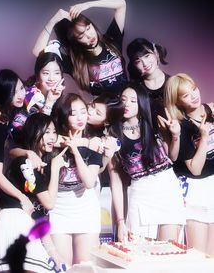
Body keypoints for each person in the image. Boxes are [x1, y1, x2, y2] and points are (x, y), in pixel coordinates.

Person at [0, 112, 67, 272]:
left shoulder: (36, 167)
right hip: (13, 222)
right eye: (47, 132)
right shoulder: (26, 164)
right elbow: (49, 203)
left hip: (19, 222)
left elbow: (38, 215)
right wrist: (56, 168)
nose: (52, 137)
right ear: (34, 133)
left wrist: (54, 253)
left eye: (54, 132)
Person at [108, 83, 186, 242]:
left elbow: (173, 156)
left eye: (133, 101)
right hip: (139, 191)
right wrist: (120, 221)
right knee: (141, 253)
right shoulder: (113, 134)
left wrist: (176, 136)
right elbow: (116, 182)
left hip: (167, 188)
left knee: (168, 251)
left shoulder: (154, 124)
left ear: (141, 103)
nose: (127, 104)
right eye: (124, 100)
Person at [159, 73, 214, 255]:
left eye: (194, 89)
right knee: (198, 256)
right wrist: (204, 138)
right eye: (186, 95)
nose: (194, 95)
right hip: (196, 191)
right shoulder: (181, 127)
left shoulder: (211, 110)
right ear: (177, 101)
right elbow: (195, 169)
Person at [49, 93, 103, 266]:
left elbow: (88, 182)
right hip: (58, 210)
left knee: (85, 267)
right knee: (62, 267)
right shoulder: (53, 143)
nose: (80, 117)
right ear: (64, 117)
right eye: (73, 113)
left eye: (83, 111)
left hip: (86, 209)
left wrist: (77, 151)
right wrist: (80, 143)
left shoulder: (94, 144)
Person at [33, 0, 128, 97]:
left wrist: (88, 4)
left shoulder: (111, 40)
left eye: (88, 28)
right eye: (81, 36)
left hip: (129, 104)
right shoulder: (74, 62)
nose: (89, 35)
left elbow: (121, 4)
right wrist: (53, 21)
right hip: (102, 110)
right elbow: (37, 52)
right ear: (75, 40)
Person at [0, 69, 33, 211]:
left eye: (21, 88)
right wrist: (23, 198)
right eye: (13, 93)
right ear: (3, 95)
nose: (21, 95)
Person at [127, 38, 170, 125]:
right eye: (138, 61)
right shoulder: (135, 88)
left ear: (155, 52)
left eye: (147, 56)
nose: (145, 64)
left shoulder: (173, 82)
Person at [25, 51, 65, 116]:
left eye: (56, 73)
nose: (51, 78)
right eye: (46, 73)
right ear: (38, 75)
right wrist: (49, 102)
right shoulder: (32, 95)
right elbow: (39, 125)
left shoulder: (59, 95)